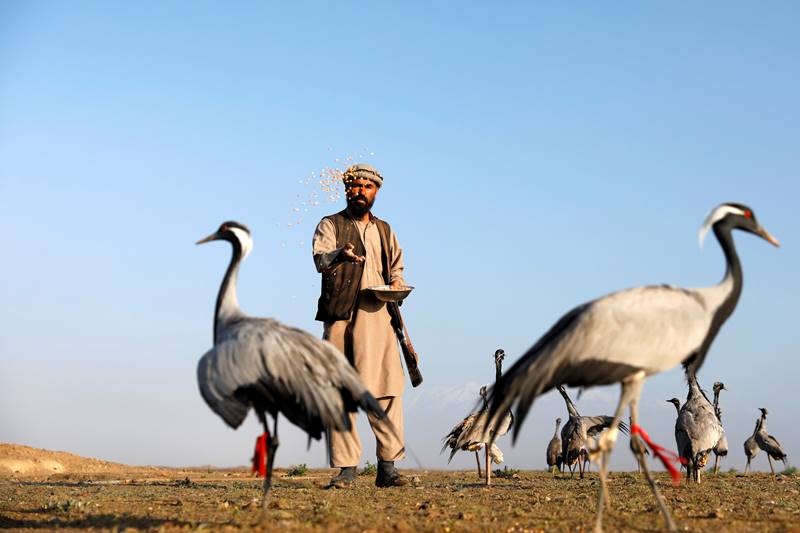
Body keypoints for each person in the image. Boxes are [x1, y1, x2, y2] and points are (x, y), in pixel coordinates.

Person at [312, 163, 408, 488]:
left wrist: (396, 284)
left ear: (376, 191)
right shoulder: (331, 224)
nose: (360, 191)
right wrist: (341, 253)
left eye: (367, 187)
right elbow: (320, 261)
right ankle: (346, 470)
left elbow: (396, 268)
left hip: (378, 315)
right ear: (345, 189)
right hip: (339, 316)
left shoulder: (385, 230)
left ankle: (388, 468)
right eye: (354, 186)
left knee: (386, 389)